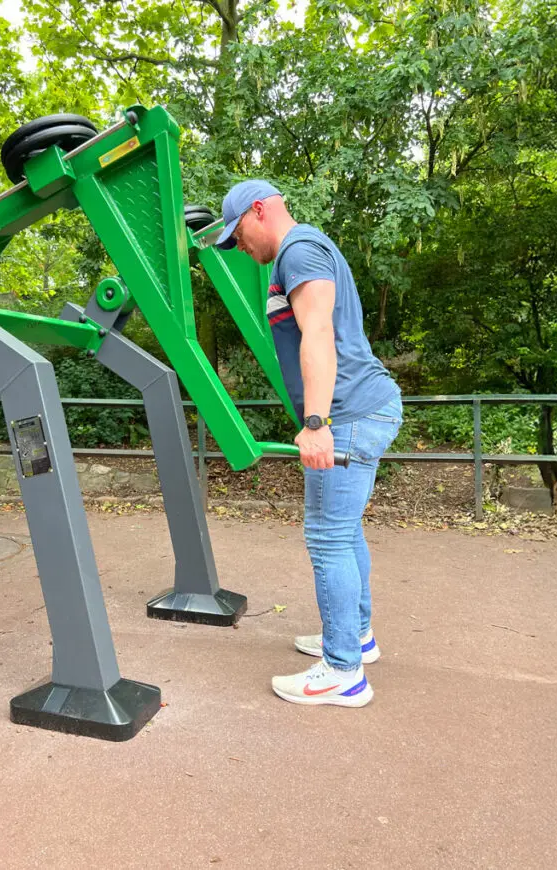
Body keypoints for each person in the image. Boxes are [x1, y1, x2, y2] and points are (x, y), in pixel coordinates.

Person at [215, 180, 403, 708]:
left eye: (238, 234)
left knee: (326, 537)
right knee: (342, 532)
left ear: (259, 211)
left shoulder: (299, 250)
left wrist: (316, 422)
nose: (240, 248)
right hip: (358, 410)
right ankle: (355, 639)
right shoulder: (299, 254)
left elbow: (318, 331)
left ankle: (343, 672)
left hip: (347, 414)